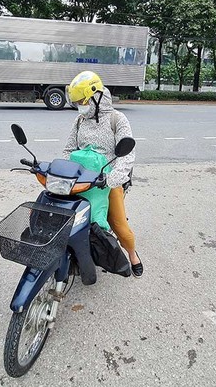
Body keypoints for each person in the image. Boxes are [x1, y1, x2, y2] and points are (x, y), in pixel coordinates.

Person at [63, 71, 143, 277]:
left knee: (119, 225)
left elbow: (127, 154)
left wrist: (111, 179)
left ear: (96, 96)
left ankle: (132, 255)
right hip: (80, 180)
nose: (80, 105)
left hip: (107, 181)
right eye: (78, 102)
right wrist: (63, 170)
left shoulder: (117, 119)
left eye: (83, 100)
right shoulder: (80, 120)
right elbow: (69, 149)